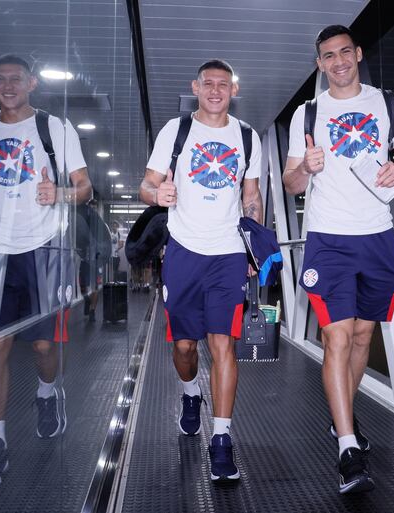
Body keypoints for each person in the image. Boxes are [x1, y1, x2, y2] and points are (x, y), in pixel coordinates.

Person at [282, 25, 394, 494]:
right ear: (319, 64)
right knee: (336, 335)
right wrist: (306, 166)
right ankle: (347, 446)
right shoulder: (308, 114)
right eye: (329, 55)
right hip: (328, 239)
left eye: (346, 51)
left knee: (363, 335)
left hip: (377, 236)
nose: (339, 61)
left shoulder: (387, 104)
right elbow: (290, 184)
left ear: (358, 54)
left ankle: (341, 416)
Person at [0, 54, 92, 487]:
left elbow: (84, 189)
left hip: (44, 248)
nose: (7, 85)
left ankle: (46, 392)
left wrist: (56, 192)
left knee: (42, 347)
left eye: (15, 78)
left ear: (32, 84)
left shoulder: (54, 128)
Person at [139, 59, 262, 482]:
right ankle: (191, 393)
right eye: (208, 83)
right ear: (195, 87)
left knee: (223, 345)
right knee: (186, 348)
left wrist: (253, 248)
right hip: (183, 252)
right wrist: (159, 193)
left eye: (223, 84)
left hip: (227, 253)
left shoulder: (247, 136)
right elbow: (146, 184)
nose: (215, 90)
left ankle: (222, 441)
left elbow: (252, 195)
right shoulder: (176, 131)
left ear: (234, 88)